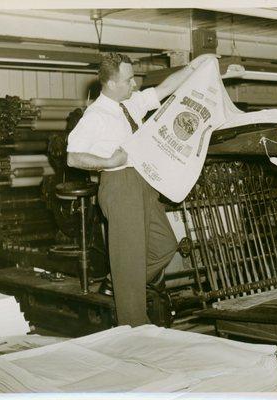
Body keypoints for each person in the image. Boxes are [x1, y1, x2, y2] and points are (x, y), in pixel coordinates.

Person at [67, 52, 215, 327]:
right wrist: (108, 161)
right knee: (131, 263)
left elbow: (165, 88)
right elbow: (73, 156)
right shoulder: (95, 115)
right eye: (129, 80)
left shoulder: (130, 103)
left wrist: (196, 65)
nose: (134, 84)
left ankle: (119, 280)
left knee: (165, 245)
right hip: (119, 184)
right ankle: (134, 327)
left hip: (144, 182)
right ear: (111, 84)